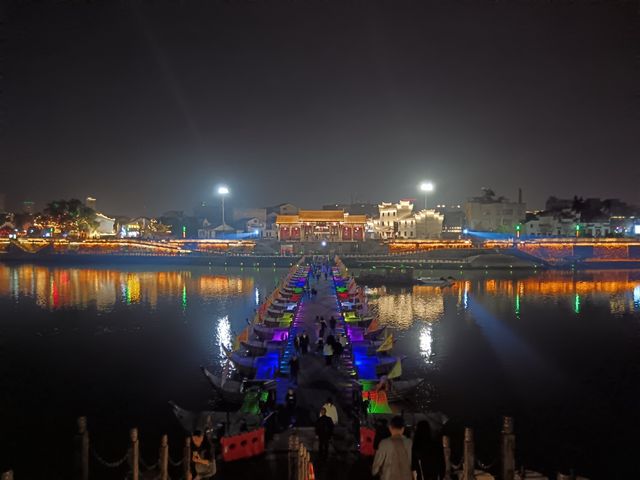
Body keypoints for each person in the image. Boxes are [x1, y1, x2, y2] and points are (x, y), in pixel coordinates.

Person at [372, 416, 414, 480]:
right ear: (403, 429)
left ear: (390, 428)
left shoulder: (384, 443)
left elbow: (376, 468)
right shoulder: (410, 443)